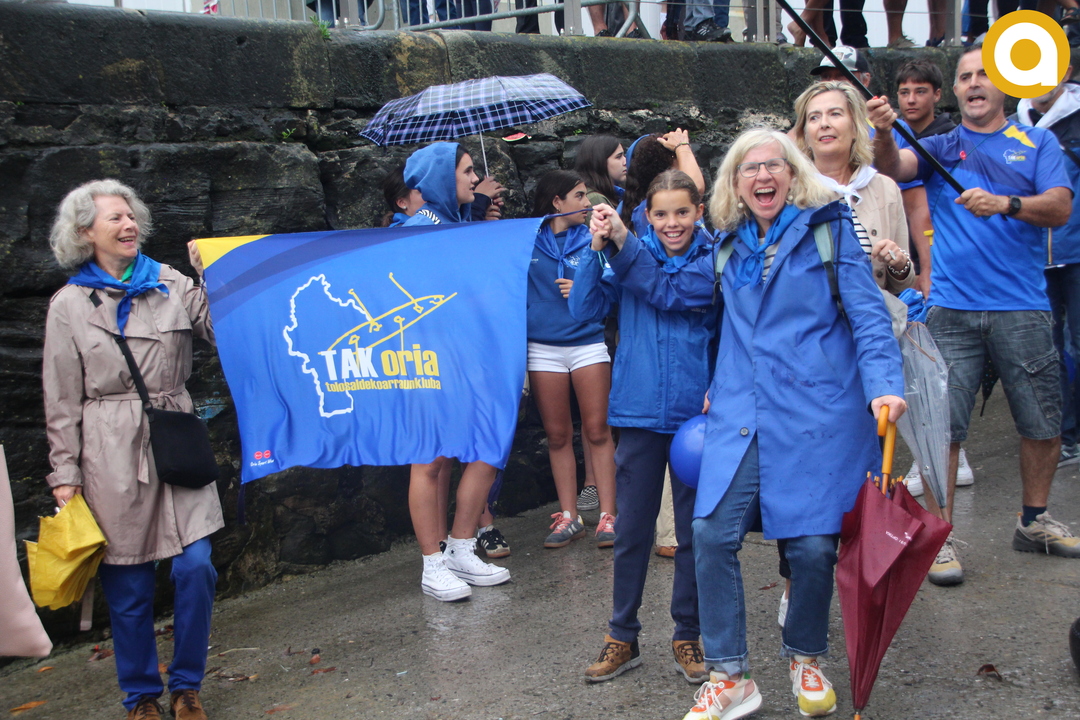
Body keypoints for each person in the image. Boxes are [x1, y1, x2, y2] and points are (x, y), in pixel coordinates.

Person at [592, 128, 905, 720]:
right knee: (710, 534)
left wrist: (885, 385)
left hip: (818, 415)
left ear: (793, 174)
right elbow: (671, 290)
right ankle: (730, 676)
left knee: (812, 548)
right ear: (735, 183)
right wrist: (623, 242)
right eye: (749, 168)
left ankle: (805, 658)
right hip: (742, 413)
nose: (763, 176)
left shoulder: (830, 230)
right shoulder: (726, 245)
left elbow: (868, 317)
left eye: (774, 165)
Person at [868, 47, 1080, 588]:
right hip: (952, 308)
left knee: (1042, 422)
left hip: (1024, 306)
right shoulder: (940, 145)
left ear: (1004, 84)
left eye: (984, 74)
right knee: (943, 427)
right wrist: (885, 132)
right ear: (956, 91)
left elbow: (1060, 206)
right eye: (965, 76)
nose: (974, 83)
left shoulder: (1038, 143)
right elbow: (891, 169)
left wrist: (1006, 204)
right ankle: (939, 537)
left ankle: (1034, 521)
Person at [43, 180, 222, 720]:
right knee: (128, 582)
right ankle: (141, 697)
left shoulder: (170, 282)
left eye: (131, 215)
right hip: (110, 452)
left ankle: (187, 686)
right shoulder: (69, 305)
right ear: (84, 234)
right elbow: (61, 399)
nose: (129, 225)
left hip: (176, 437)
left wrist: (210, 278)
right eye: (115, 218)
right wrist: (64, 475)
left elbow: (223, 331)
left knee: (196, 567)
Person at [571, 170, 718, 685]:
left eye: (682, 212)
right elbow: (583, 309)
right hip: (637, 412)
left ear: (699, 212)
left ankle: (687, 634)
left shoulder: (713, 260)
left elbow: (672, 293)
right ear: (647, 216)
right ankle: (622, 635)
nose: (672, 223)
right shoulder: (625, 254)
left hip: (696, 418)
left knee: (693, 533)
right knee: (631, 529)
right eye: (661, 214)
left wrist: (622, 245)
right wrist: (594, 250)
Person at [401, 143, 513, 600]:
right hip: (430, 361)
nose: (474, 179)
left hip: (470, 357)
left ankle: (462, 546)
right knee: (430, 460)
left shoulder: (461, 224)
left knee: (487, 446)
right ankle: (433, 562)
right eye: (466, 171)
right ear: (441, 179)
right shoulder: (417, 229)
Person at [527, 169, 618, 549]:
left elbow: (614, 291)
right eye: (579, 196)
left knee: (597, 430)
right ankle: (569, 516)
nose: (588, 203)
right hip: (542, 347)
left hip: (587, 342)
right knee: (558, 435)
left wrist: (584, 288)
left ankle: (609, 517)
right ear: (556, 202)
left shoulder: (593, 238)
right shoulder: (527, 240)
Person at [1011, 60, 1080, 467]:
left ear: (1066, 71)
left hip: (1077, 252)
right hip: (1034, 257)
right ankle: (1064, 434)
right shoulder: (1013, 124)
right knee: (1047, 352)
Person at [574, 135, 627, 210]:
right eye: (618, 157)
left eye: (624, 156)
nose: (625, 162)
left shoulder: (612, 193)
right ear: (600, 162)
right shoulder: (595, 199)